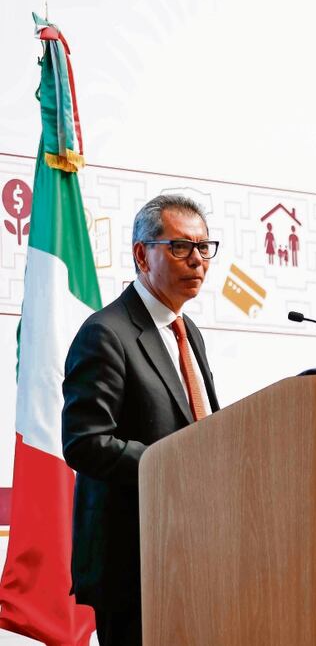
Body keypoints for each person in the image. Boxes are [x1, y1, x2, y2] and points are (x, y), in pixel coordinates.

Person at [62, 195, 221, 646]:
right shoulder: (105, 333)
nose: (198, 260)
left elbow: (202, 426)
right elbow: (84, 442)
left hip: (195, 550)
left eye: (204, 247)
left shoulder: (189, 332)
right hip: (133, 563)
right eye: (180, 247)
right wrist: (176, 465)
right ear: (141, 254)